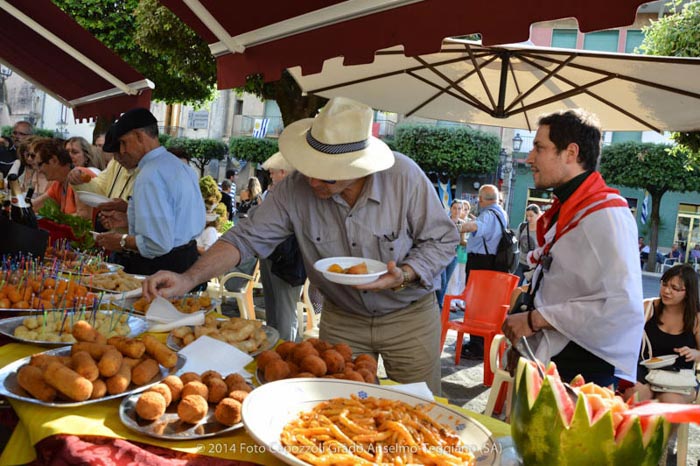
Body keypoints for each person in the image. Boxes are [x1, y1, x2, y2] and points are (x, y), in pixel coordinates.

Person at [143, 97, 459, 394]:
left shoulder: (404, 178)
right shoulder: (295, 188)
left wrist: (404, 274)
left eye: (328, 177)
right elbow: (244, 237)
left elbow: (443, 239)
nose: (313, 182)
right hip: (343, 315)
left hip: (408, 317)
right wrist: (188, 278)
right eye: (310, 170)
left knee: (421, 408)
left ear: (358, 168)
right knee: (334, 405)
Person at [501, 109, 644, 386]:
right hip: (557, 355)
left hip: (582, 364)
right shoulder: (574, 207)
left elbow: (619, 305)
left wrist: (533, 320)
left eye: (539, 148)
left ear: (571, 153)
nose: (530, 158)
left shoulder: (607, 215)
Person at [94, 108, 205, 277]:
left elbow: (157, 243)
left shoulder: (149, 175)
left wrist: (121, 241)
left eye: (124, 143)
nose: (122, 151)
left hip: (159, 269)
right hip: (186, 261)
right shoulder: (180, 166)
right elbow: (177, 221)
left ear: (139, 136)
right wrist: (130, 217)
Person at [623, 264, 700, 404]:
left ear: (688, 292)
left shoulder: (696, 318)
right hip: (646, 372)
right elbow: (624, 335)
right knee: (634, 396)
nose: (666, 291)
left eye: (675, 288)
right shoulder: (647, 307)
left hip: (680, 378)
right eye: (664, 284)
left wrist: (695, 354)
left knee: (670, 401)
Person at [256, 152, 306, 341]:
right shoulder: (277, 195)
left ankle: (285, 352)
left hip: (288, 263)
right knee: (273, 310)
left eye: (273, 173)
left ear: (284, 173)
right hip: (272, 258)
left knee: (285, 313)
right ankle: (273, 349)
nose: (271, 176)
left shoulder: (297, 197)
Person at [457, 184, 507, 360]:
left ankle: (477, 345)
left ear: (480, 199)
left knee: (475, 304)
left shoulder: (489, 214)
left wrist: (457, 226)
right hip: (489, 264)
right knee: (484, 305)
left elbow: (475, 227)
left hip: (481, 264)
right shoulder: (500, 212)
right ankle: (482, 344)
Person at [31, 138, 96, 218]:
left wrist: (54, 219)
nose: (39, 170)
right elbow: (34, 206)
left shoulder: (80, 175)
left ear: (54, 161)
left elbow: (84, 217)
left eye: (40, 164)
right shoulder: (58, 183)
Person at [437, 200, 466, 307]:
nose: (457, 211)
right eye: (455, 208)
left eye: (459, 208)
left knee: (447, 282)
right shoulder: (445, 221)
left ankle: (440, 303)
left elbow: (462, 241)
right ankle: (438, 303)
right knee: (442, 281)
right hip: (442, 256)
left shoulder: (462, 223)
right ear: (451, 209)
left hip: (454, 256)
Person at [514, 204, 542, 285]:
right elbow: (516, 241)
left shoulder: (542, 229)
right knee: (515, 287)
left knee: (530, 290)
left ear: (538, 215)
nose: (528, 218)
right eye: (527, 216)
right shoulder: (522, 226)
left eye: (531, 216)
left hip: (533, 266)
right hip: (520, 263)